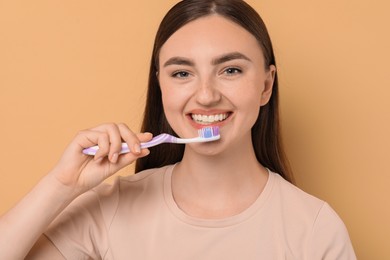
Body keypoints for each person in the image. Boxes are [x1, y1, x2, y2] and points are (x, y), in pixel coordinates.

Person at [0, 0, 356, 259]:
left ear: (266, 85)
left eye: (230, 70)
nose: (205, 95)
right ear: (161, 86)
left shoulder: (314, 229)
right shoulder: (111, 209)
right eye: (182, 73)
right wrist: (61, 186)